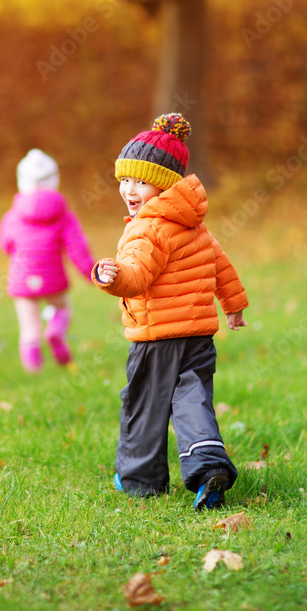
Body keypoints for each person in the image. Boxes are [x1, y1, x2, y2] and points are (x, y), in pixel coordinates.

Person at [92, 113, 248, 509]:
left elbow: (137, 276)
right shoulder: (192, 223)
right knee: (192, 400)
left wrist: (110, 277)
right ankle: (208, 466)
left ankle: (139, 480)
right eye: (124, 180)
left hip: (157, 338)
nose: (129, 189)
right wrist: (233, 305)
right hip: (198, 336)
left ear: (162, 184)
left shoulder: (148, 228)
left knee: (143, 403)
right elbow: (220, 263)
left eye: (140, 181)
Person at [0, 149, 96, 372]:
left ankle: (34, 371)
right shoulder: (64, 215)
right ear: (54, 179)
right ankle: (56, 331)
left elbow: (6, 244)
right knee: (62, 308)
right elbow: (77, 249)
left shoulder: (12, 216)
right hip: (52, 278)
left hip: (21, 279)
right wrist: (91, 273)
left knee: (29, 326)